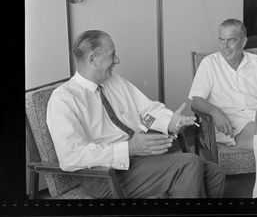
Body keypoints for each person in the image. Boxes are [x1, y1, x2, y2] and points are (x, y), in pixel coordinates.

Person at [47, 30, 225, 198]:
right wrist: (128, 148)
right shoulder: (64, 99)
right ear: (93, 59)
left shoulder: (114, 81)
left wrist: (170, 122)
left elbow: (148, 112)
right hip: (104, 174)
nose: (117, 60)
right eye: (112, 55)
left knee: (214, 173)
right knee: (189, 164)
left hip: (138, 160)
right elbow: (70, 157)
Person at [188, 19, 257, 198]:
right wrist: (216, 111)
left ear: (243, 41)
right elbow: (196, 101)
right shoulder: (209, 63)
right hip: (230, 128)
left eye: (231, 40)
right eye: (221, 40)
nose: (225, 46)